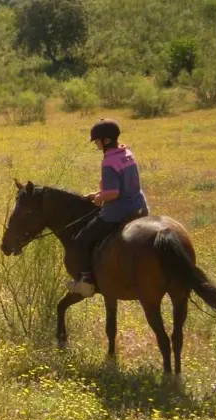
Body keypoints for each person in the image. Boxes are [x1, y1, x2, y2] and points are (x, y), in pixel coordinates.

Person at [68, 118, 149, 298]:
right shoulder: (127, 153)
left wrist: (99, 198)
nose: (95, 144)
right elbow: (124, 184)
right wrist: (97, 192)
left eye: (96, 140)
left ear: (105, 140)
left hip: (118, 211)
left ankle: (87, 281)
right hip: (139, 206)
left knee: (81, 240)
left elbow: (113, 193)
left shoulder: (109, 161)